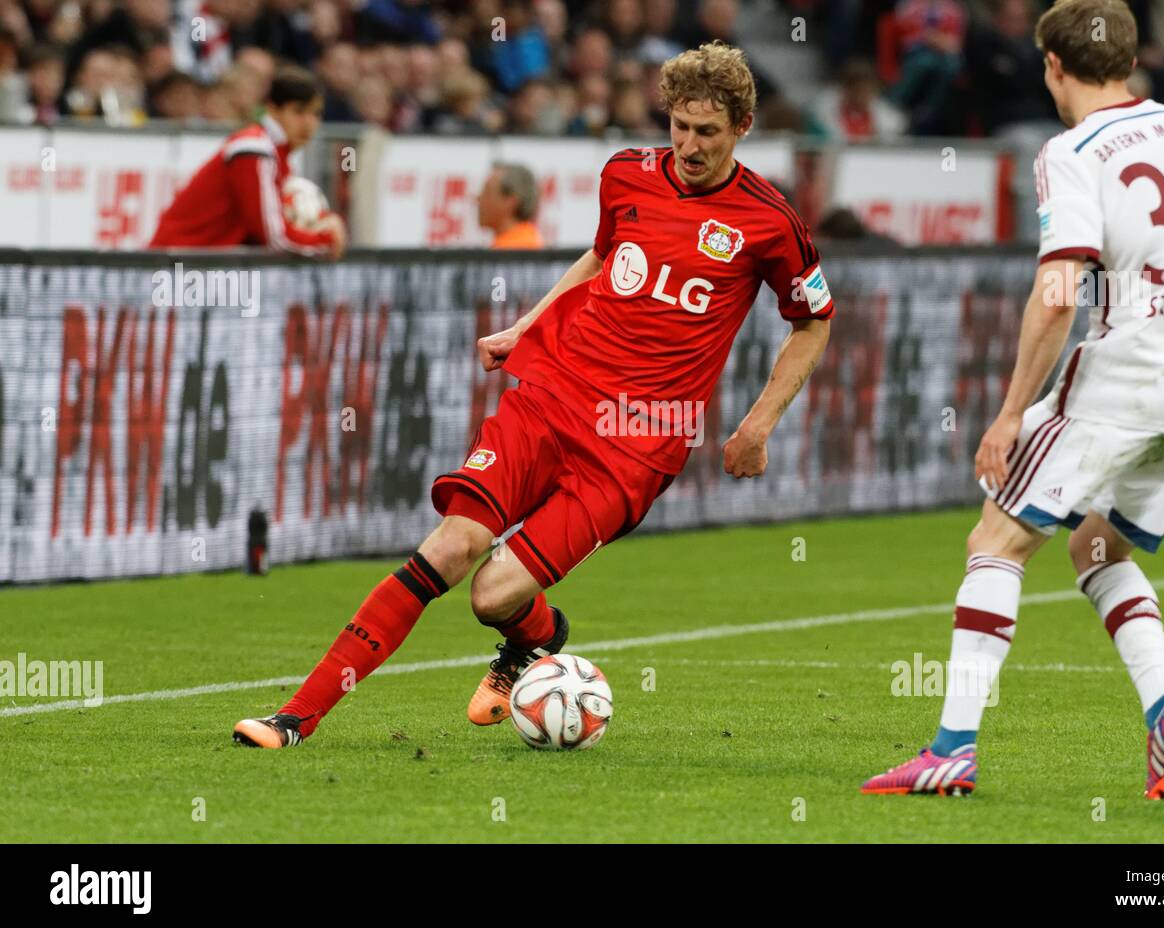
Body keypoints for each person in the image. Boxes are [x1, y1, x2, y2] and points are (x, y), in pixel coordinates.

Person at [232, 41, 834, 748]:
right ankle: (296, 716)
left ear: (743, 127)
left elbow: (813, 320)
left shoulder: (769, 221)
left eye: (707, 131)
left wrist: (758, 424)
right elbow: (604, 256)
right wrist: (528, 325)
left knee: (494, 594)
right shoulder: (627, 175)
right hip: (554, 395)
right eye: (679, 126)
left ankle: (535, 640)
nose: (689, 145)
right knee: (453, 548)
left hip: (639, 443)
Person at [861, 0, 1164, 799]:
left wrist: (1006, 413)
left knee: (996, 539)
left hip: (1123, 385)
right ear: (1133, 61)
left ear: (1052, 66)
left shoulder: (1074, 150)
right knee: (1096, 549)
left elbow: (1059, 292)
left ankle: (952, 747)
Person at [149, 65, 346, 258]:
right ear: (273, 110)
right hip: (176, 266)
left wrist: (323, 221)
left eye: (316, 114)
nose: (309, 123)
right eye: (299, 112)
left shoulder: (273, 155)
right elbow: (275, 238)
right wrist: (325, 240)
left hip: (199, 265)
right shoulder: (254, 150)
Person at [478, 162, 545, 248]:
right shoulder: (524, 243)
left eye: (487, 192)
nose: (478, 199)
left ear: (510, 202)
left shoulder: (518, 249)